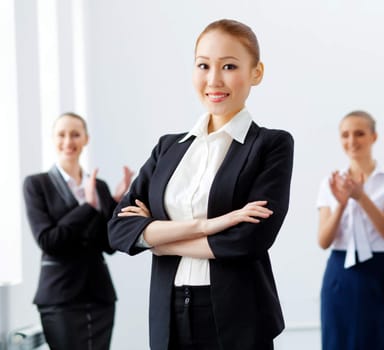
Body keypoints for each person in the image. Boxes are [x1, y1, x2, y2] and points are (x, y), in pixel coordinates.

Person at [107, 19, 294, 350]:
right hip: (170, 315)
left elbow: (249, 240)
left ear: (256, 73)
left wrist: (157, 239)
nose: (214, 80)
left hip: (239, 317)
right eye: (203, 65)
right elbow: (119, 230)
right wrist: (207, 225)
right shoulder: (168, 148)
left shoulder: (271, 145)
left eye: (229, 66)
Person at [22, 112, 133, 350]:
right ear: (53, 139)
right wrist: (88, 207)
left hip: (99, 295)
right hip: (60, 297)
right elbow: (48, 240)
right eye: (61, 134)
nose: (68, 141)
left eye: (75, 134)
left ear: (86, 139)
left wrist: (114, 206)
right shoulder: (36, 184)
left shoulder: (98, 185)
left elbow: (109, 246)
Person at [316, 110, 384, 350]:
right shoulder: (330, 183)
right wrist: (343, 203)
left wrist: (361, 197)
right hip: (339, 274)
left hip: (379, 272)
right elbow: (323, 240)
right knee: (339, 342)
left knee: (382, 340)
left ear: (373, 137)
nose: (352, 141)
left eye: (359, 133)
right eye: (345, 135)